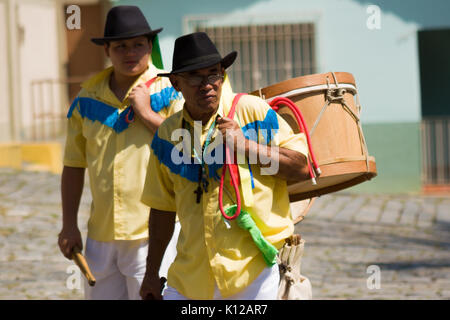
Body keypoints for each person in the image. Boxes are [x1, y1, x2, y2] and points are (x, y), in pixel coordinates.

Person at [139, 32, 310, 300]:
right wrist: (151, 274)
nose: (207, 84)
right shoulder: (167, 136)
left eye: (214, 74)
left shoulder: (253, 112)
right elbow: (161, 209)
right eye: (195, 76)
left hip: (255, 272)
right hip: (190, 277)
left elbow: (301, 168)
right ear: (176, 83)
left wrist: (246, 146)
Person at [58, 5, 183, 300]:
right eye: (120, 46)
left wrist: (146, 114)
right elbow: (74, 166)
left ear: (150, 47)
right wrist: (68, 224)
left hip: (154, 232)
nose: (130, 53)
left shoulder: (171, 90)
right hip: (100, 236)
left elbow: (187, 146)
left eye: (138, 44)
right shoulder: (87, 98)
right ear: (107, 51)